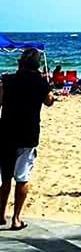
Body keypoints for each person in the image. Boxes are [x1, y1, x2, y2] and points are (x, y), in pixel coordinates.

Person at [0, 48, 54, 230]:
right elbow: (49, 101)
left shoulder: (7, 80)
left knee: (5, 177)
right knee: (22, 177)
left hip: (6, 132)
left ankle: (0, 215)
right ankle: (16, 218)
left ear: (20, 62)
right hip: (28, 134)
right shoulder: (40, 82)